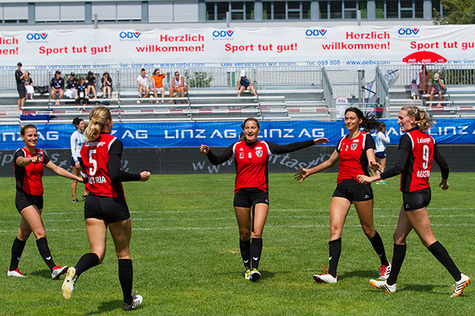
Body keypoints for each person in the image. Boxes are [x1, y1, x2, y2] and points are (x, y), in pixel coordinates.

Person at [357, 105, 470, 297]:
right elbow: (443, 164)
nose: (398, 121)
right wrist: (444, 180)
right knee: (398, 238)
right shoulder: (429, 138)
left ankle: (459, 277)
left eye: (402, 118)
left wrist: (373, 178)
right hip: (423, 192)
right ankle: (391, 284)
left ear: (413, 120)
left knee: (428, 239)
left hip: (413, 194)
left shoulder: (407, 138)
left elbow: (400, 167)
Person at [199, 117, 328, 282]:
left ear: (258, 130)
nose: (250, 130)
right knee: (244, 234)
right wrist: (208, 152)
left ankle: (254, 269)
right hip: (241, 194)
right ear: (243, 130)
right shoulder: (236, 147)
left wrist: (312, 142)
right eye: (247, 128)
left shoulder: (265, 146)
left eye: (253, 127)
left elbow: (288, 147)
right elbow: (217, 161)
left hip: (260, 194)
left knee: (257, 232)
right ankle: (246, 267)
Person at [61, 107, 150, 311]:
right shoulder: (113, 142)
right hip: (112, 200)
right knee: (123, 254)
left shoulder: (85, 145)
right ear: (108, 121)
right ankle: (128, 301)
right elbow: (114, 174)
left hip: (92, 201)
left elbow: (86, 175)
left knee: (97, 253)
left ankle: (76, 270)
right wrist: (140, 176)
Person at [294, 107, 390, 284]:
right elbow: (330, 162)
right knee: (334, 228)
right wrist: (310, 171)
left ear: (360, 121)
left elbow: (370, 156)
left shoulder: (365, 138)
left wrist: (373, 164)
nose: (348, 121)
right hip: (342, 188)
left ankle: (385, 264)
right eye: (346, 118)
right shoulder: (343, 141)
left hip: (361, 186)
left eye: (352, 118)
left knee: (368, 230)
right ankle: (332, 274)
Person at [8, 124, 83, 279]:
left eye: (35, 135)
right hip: (25, 198)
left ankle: (12, 269)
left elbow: (56, 169)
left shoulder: (41, 153)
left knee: (23, 235)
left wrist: (77, 178)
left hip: (38, 199)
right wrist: (30, 160)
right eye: (29, 135)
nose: (33, 138)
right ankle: (53, 268)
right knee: (40, 232)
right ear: (23, 137)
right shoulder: (20, 153)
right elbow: (20, 162)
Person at [70, 117, 87, 203]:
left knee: (87, 176)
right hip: (77, 157)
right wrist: (76, 160)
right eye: (81, 124)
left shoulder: (84, 134)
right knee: (75, 178)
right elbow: (73, 148)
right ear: (77, 125)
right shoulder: (74, 135)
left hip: (84, 157)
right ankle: (74, 198)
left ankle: (85, 194)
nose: (83, 125)